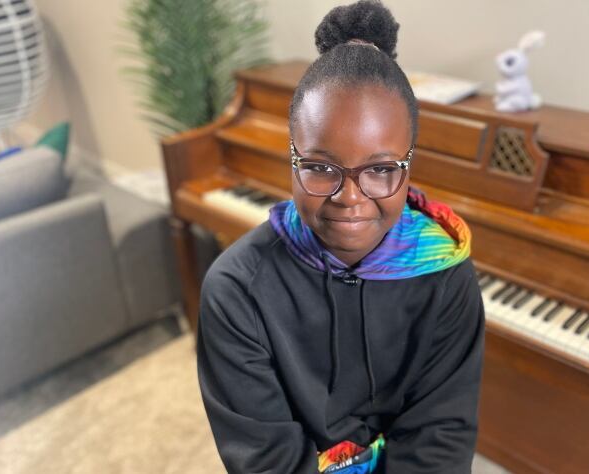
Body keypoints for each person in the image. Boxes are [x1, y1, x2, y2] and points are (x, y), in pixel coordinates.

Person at [196, 1, 485, 472]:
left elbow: (442, 435)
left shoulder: (445, 272)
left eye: (381, 169)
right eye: (320, 167)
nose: (350, 198)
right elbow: (267, 460)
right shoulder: (235, 290)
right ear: (292, 158)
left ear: (409, 163)